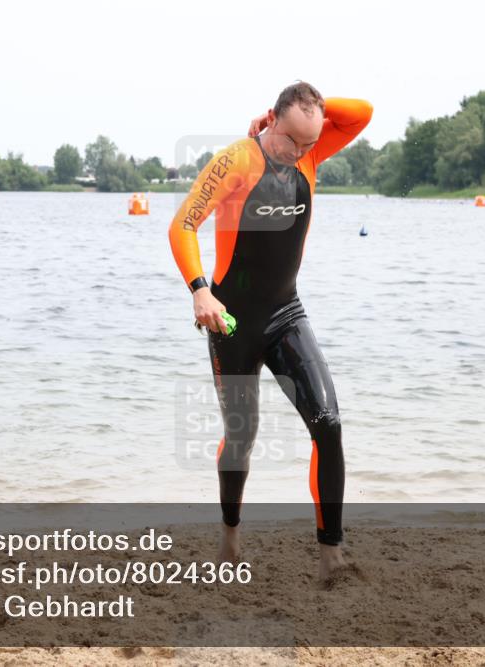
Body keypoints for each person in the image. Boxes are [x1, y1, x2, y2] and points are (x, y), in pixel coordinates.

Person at [168, 81, 373, 581]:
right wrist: (199, 290)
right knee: (242, 437)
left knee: (328, 423)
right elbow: (183, 226)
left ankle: (331, 555)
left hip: (286, 313)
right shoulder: (236, 160)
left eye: (309, 143)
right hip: (232, 321)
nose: (299, 153)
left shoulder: (311, 149)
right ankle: (230, 538)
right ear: (271, 121)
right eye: (290, 141)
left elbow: (362, 112)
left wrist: (313, 119)